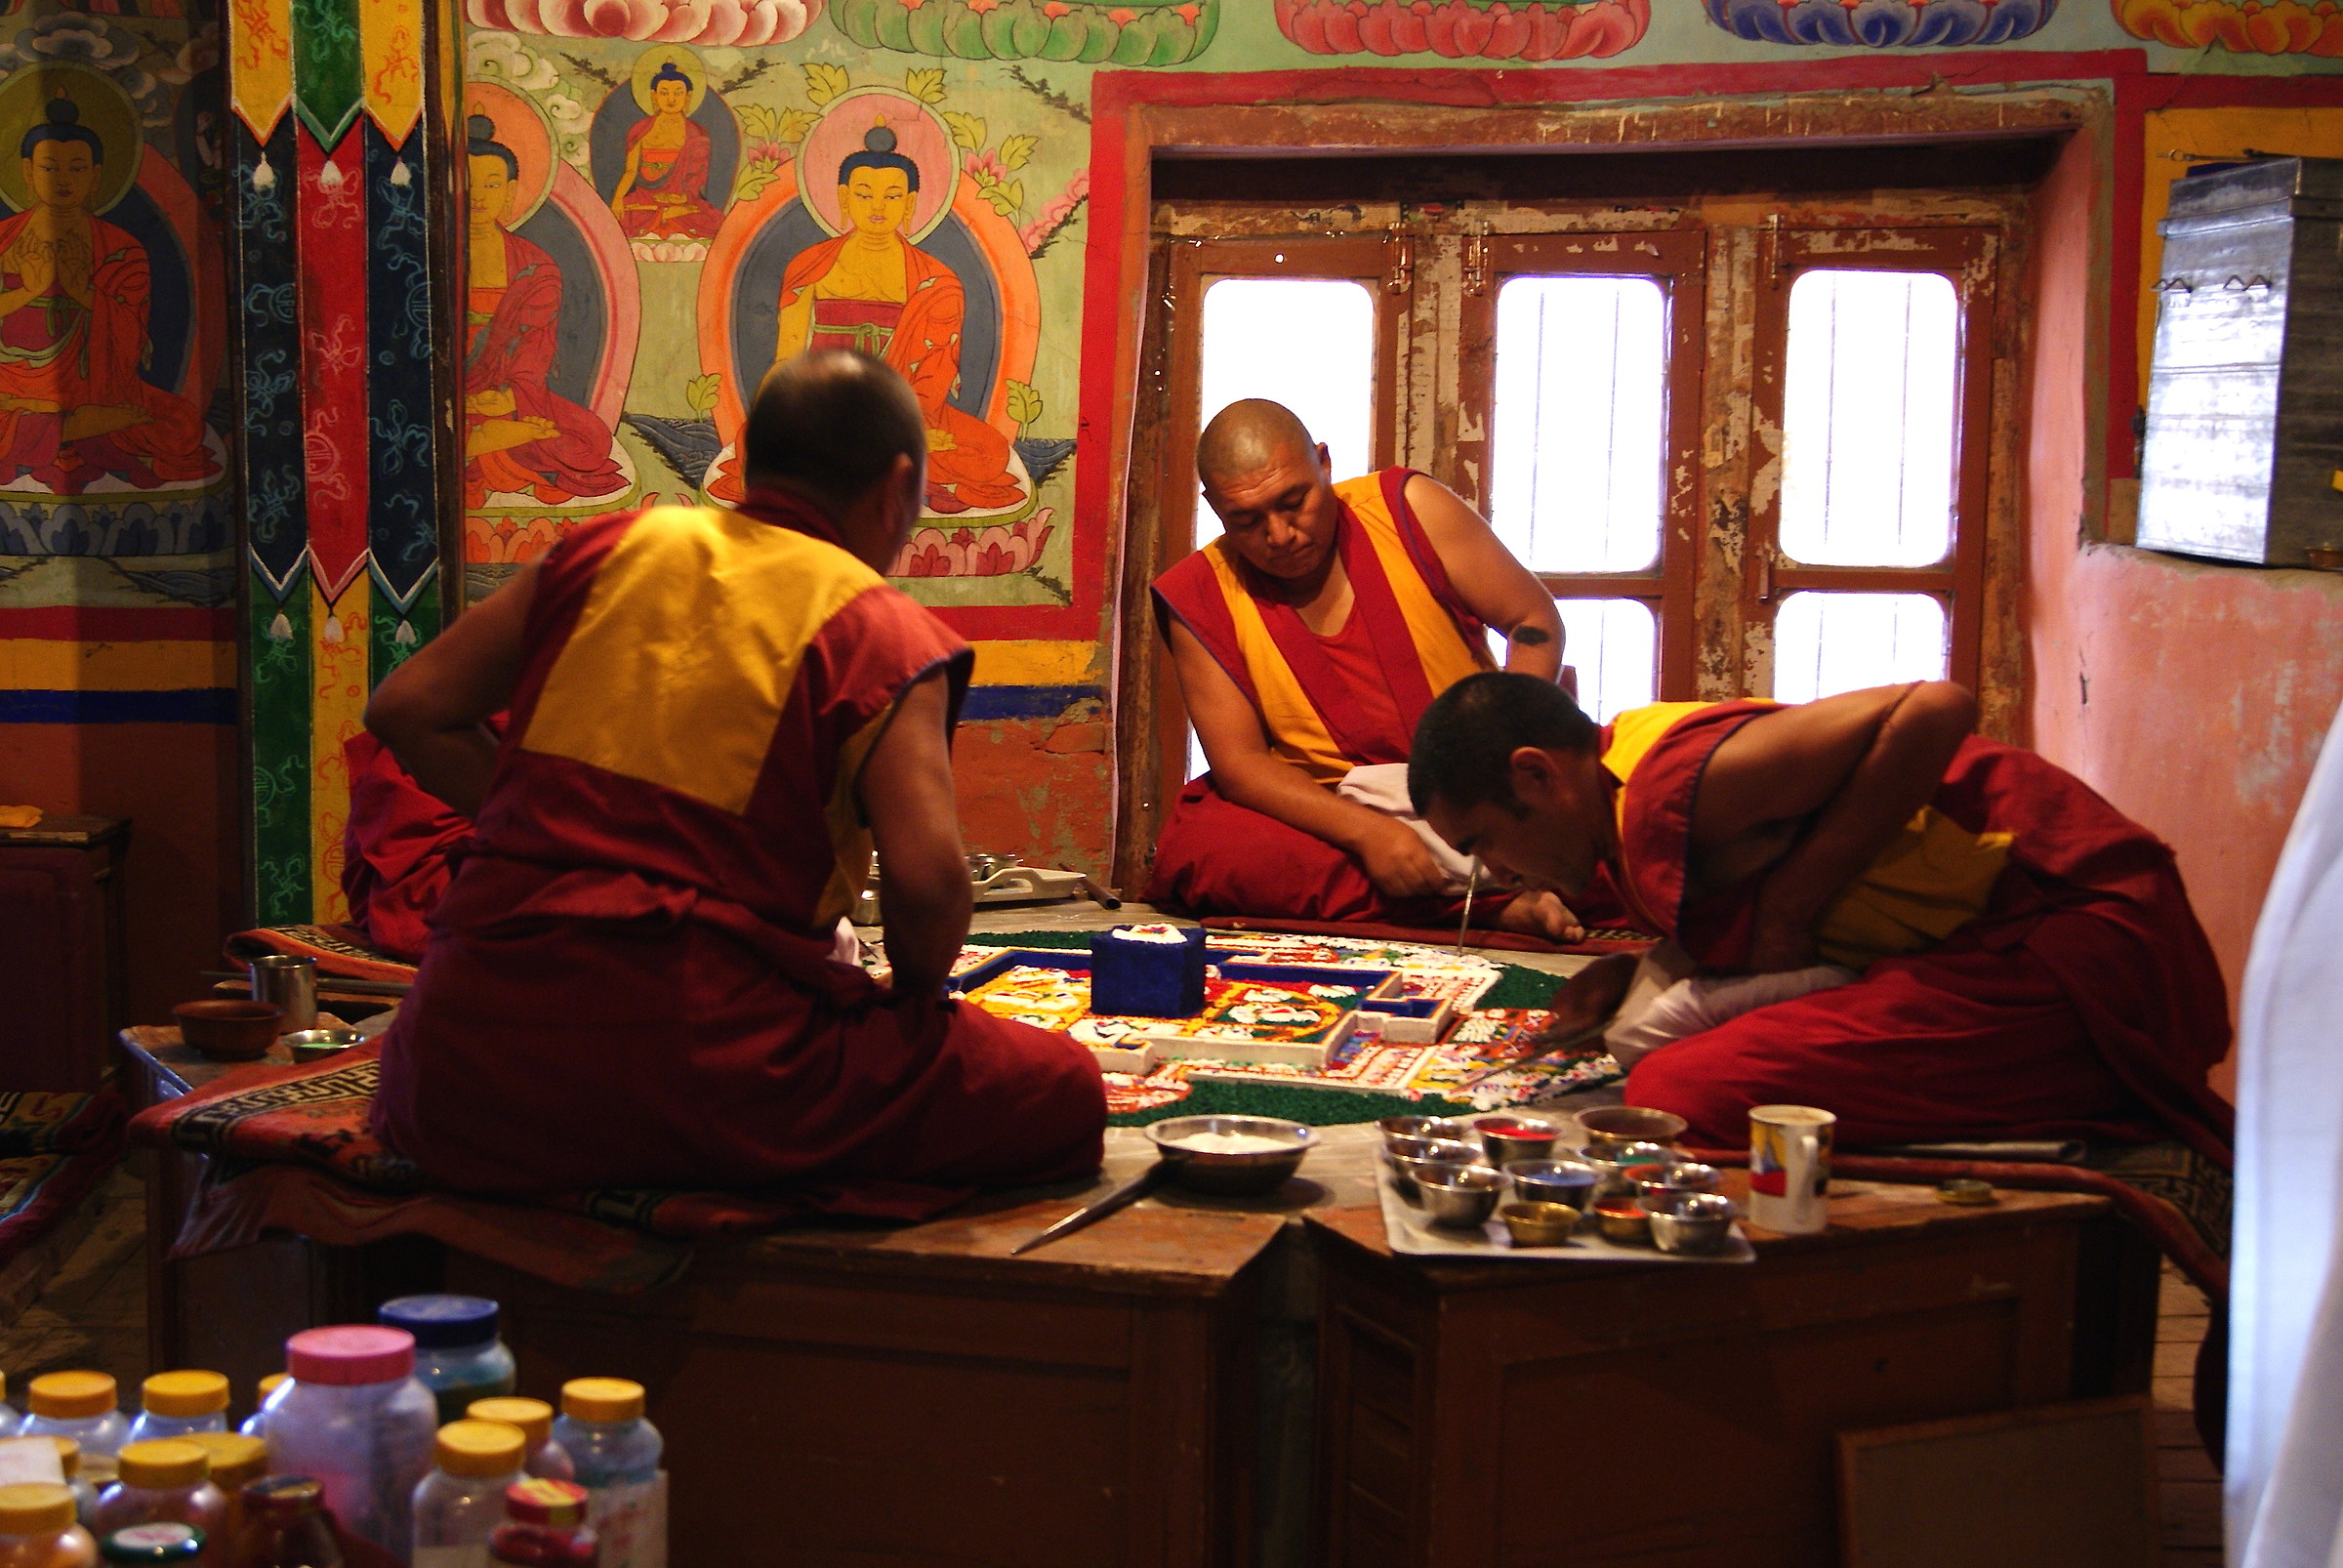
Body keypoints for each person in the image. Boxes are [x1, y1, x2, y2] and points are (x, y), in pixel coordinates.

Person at [364, 351, 1105, 1205]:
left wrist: (544, 832)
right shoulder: (876, 626)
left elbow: (407, 708)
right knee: (1060, 1088)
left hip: (460, 1071)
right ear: (899, 487)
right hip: (695, 1063)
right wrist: (917, 1010)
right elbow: (930, 883)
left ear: (752, 462)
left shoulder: (611, 546)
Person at [1406, 673, 2236, 1159]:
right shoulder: (1616, 794)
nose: (1494, 872)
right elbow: (1732, 898)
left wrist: (1790, 910)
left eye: (1483, 841)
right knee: (1658, 1039)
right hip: (1973, 941)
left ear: (1538, 776)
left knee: (1674, 1089)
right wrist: (1631, 969)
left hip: (2069, 938)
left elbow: (1935, 708)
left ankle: (2094, 1081)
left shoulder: (1678, 781)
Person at [1145, 398, 1592, 940]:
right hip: (1335, 811)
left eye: (1294, 502)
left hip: (1472, 776)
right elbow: (1240, 764)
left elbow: (1531, 619)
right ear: (1215, 509)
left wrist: (1502, 751)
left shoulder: (1407, 508)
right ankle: (1494, 908)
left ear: (1325, 465)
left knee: (1624, 814)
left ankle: (1470, 888)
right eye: (1247, 520)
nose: (1281, 535)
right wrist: (1366, 834)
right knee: (1209, 850)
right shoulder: (1199, 592)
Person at [710, 124, 1022, 516]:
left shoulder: (936, 280)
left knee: (989, 452)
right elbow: (787, 358)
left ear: (910, 204)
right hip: (820, 406)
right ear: (844, 197)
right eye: (863, 194)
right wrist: (768, 418)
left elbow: (934, 372)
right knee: (758, 441)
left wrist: (912, 425)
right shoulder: (811, 267)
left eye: (892, 196)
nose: (878, 206)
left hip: (901, 411)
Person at [0, 96, 219, 494]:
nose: (63, 179)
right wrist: (29, 291)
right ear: (28, 173)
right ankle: (75, 426)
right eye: (49, 168)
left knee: (182, 427)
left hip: (100, 387)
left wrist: (83, 292)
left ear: (97, 174)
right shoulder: (2, 240)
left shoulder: (121, 247)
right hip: (13, 386)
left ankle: (62, 424)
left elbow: (132, 338)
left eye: (77, 168)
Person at [464, 115, 627, 511]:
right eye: (468, 183)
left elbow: (536, 349)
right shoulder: (426, 258)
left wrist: (507, 399)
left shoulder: (535, 266)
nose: (478, 196)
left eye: (491, 184)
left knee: (591, 440)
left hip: (509, 392)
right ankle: (486, 438)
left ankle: (493, 434)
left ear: (510, 191)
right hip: (450, 391)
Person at [607, 62, 723, 242]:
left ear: (687, 96)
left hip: (681, 200)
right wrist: (618, 198)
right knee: (616, 219)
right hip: (645, 199)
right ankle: (666, 214)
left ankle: (667, 214)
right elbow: (630, 171)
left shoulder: (696, 133)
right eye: (664, 92)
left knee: (714, 221)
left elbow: (697, 177)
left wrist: (681, 198)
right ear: (654, 96)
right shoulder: (640, 130)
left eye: (678, 93)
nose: (671, 99)